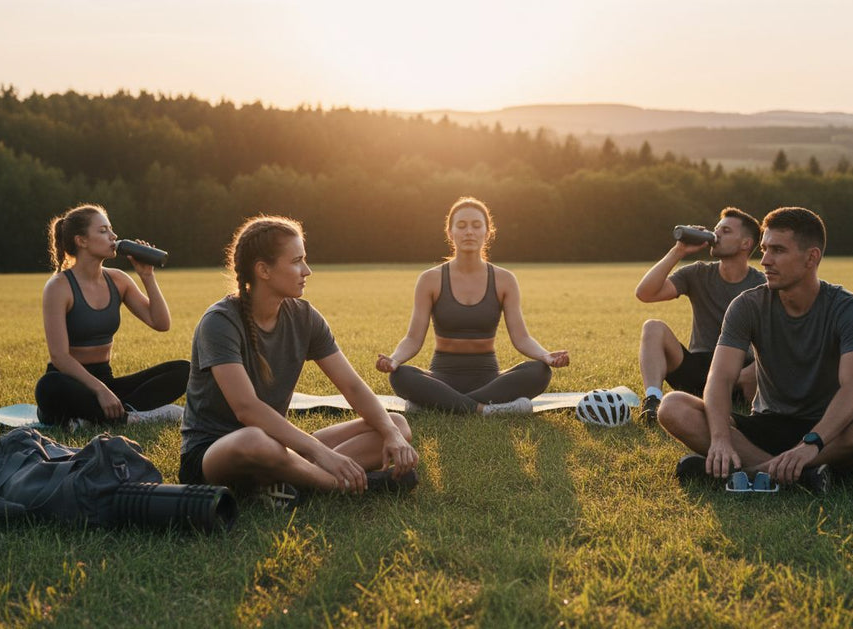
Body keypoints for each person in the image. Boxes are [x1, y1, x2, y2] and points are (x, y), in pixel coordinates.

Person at [178, 215, 418, 505]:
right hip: (217, 453)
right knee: (253, 439)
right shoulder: (219, 322)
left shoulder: (304, 317)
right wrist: (323, 454)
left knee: (394, 423)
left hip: (277, 446)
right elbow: (247, 409)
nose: (307, 270)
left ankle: (291, 483)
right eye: (296, 261)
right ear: (263, 270)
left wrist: (391, 434)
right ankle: (338, 485)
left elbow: (352, 387)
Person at [657, 207, 853, 494]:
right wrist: (720, 438)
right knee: (673, 407)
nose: (766, 260)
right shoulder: (748, 305)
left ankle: (753, 472)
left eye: (778, 250)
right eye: (764, 249)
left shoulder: (849, 309)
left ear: (812, 257)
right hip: (767, 425)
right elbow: (719, 379)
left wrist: (812, 444)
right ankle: (799, 476)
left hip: (828, 431)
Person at [377, 197, 569, 415]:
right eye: (461, 225)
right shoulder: (430, 279)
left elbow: (521, 338)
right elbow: (412, 339)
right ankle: (485, 410)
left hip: (489, 380)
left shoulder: (504, 279)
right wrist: (394, 360)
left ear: (488, 233)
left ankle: (438, 405)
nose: (469, 231)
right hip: (442, 378)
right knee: (401, 376)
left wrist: (546, 356)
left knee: (539, 372)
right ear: (450, 233)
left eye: (476, 226)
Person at [35, 204, 188, 426]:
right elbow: (59, 357)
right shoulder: (58, 287)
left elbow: (161, 323)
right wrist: (100, 390)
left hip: (106, 379)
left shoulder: (118, 280)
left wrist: (147, 276)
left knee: (184, 370)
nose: (113, 236)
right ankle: (126, 416)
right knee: (48, 387)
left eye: (111, 229)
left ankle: (102, 417)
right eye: (103, 230)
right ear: (82, 241)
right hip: (71, 381)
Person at [635, 207, 765, 422]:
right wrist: (678, 251)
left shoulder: (761, 285)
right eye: (716, 230)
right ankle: (652, 402)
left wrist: (744, 375)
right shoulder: (698, 273)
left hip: (739, 374)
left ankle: (755, 411)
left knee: (765, 361)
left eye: (725, 231)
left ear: (746, 244)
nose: (716, 235)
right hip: (698, 370)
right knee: (653, 327)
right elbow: (645, 293)